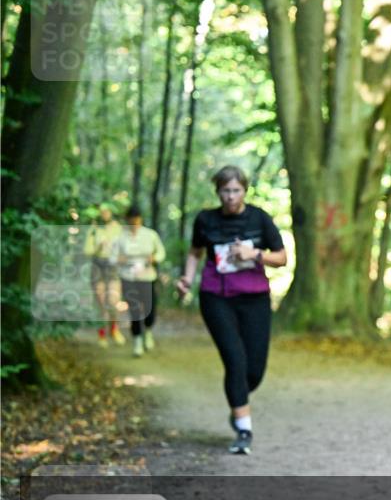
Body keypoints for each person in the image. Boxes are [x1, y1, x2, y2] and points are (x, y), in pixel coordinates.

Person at [176, 166, 287, 455]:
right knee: (235, 360)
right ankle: (244, 428)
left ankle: (238, 402)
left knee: (254, 371)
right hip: (216, 297)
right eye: (225, 191)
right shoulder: (206, 220)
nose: (231, 196)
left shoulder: (260, 218)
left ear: (245, 191)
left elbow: (282, 258)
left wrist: (255, 254)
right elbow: (195, 252)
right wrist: (187, 278)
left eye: (236, 190)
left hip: (255, 298)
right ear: (218, 192)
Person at [114, 204, 166, 358]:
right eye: (131, 220)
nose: (134, 223)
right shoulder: (120, 237)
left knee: (150, 308)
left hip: (146, 277)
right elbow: (112, 256)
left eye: (136, 220)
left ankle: (148, 331)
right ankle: (137, 340)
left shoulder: (150, 235)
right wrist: (119, 259)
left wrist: (154, 258)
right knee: (134, 309)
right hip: (128, 277)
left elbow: (161, 252)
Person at [84, 204, 125, 347]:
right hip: (98, 266)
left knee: (113, 300)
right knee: (101, 303)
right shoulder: (94, 229)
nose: (104, 213)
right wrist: (98, 247)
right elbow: (87, 250)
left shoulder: (118, 228)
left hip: (113, 266)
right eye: (102, 211)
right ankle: (102, 334)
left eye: (107, 211)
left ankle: (114, 329)